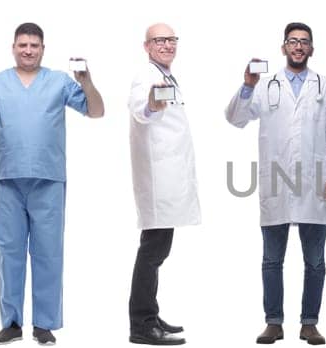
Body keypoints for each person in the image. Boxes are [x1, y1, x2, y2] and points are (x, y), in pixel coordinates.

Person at [0, 22, 106, 346]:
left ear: (43, 49)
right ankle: (12, 322)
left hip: (48, 179)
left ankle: (44, 323)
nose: (28, 50)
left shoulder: (59, 81)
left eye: (34, 45)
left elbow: (96, 111)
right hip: (8, 179)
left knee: (48, 253)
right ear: (13, 47)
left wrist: (86, 82)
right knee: (9, 252)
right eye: (22, 45)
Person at [225, 22, 326, 346]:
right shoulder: (265, 85)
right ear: (283, 47)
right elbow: (235, 119)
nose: (298, 46)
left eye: (304, 42)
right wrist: (247, 85)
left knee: (315, 262)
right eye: (292, 41)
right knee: (271, 260)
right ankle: (274, 323)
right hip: (275, 184)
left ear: (311, 49)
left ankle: (309, 323)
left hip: (315, 184)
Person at [125, 23, 196, 346]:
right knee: (152, 251)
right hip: (158, 180)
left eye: (171, 39)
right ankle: (141, 324)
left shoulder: (165, 74)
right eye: (159, 40)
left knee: (158, 250)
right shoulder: (146, 76)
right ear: (147, 46)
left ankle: (150, 314)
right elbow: (142, 109)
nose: (167, 45)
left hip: (171, 177)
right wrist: (152, 105)